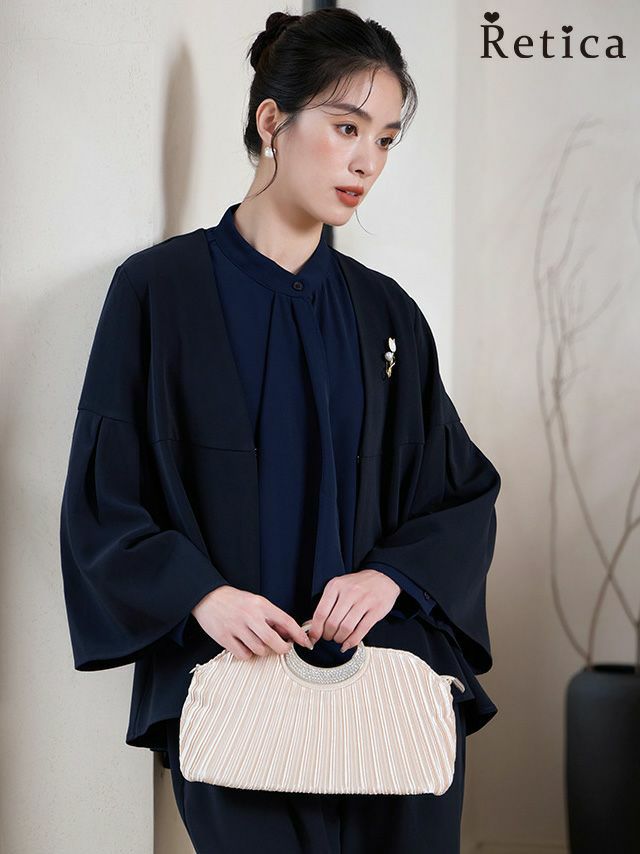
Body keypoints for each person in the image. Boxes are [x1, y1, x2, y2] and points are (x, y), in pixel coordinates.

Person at [59, 8, 501, 853]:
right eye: (346, 127)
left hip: (385, 679)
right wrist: (203, 594)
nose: (367, 161)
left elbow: (460, 492)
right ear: (272, 121)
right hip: (235, 678)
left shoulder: (387, 314)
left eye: (386, 139)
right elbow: (104, 498)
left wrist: (393, 579)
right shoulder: (158, 292)